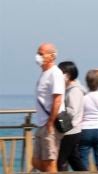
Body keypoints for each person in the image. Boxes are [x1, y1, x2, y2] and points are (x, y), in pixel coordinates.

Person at [33, 43, 65, 172]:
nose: (38, 56)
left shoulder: (55, 73)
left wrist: (50, 123)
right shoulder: (44, 73)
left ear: (52, 56)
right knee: (36, 161)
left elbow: (57, 99)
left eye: (41, 54)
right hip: (42, 123)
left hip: (49, 124)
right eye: (38, 53)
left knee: (50, 163)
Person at [57, 61, 87, 171]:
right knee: (74, 161)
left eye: (60, 73)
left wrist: (58, 111)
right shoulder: (69, 89)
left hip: (71, 131)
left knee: (59, 162)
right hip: (71, 131)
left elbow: (72, 111)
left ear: (68, 75)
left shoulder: (74, 91)